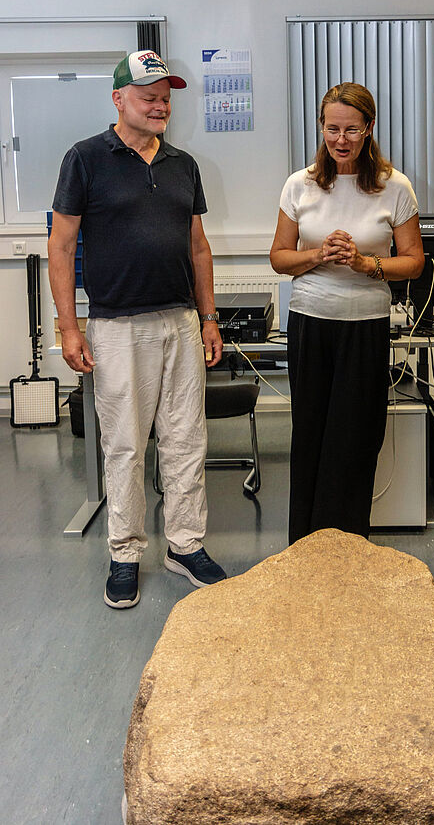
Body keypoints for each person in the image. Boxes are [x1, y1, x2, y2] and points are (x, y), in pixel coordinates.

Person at [49, 50, 227, 609]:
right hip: (117, 326)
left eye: (165, 96)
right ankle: (125, 553)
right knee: (125, 445)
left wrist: (209, 316)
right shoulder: (85, 159)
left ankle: (185, 545)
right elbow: (61, 245)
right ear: (118, 99)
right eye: (148, 95)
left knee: (185, 440)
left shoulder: (182, 164)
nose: (160, 105)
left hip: (178, 321)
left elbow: (198, 247)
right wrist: (69, 325)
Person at [270, 82, 424, 544]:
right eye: (332, 128)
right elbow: (279, 257)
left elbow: (414, 260)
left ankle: (349, 546)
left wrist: (364, 264)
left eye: (351, 130)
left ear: (369, 129)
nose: (340, 139)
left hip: (365, 326)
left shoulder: (394, 187)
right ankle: (306, 544)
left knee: (355, 440)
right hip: (311, 323)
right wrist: (319, 255)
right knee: (311, 435)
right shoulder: (300, 185)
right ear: (321, 128)